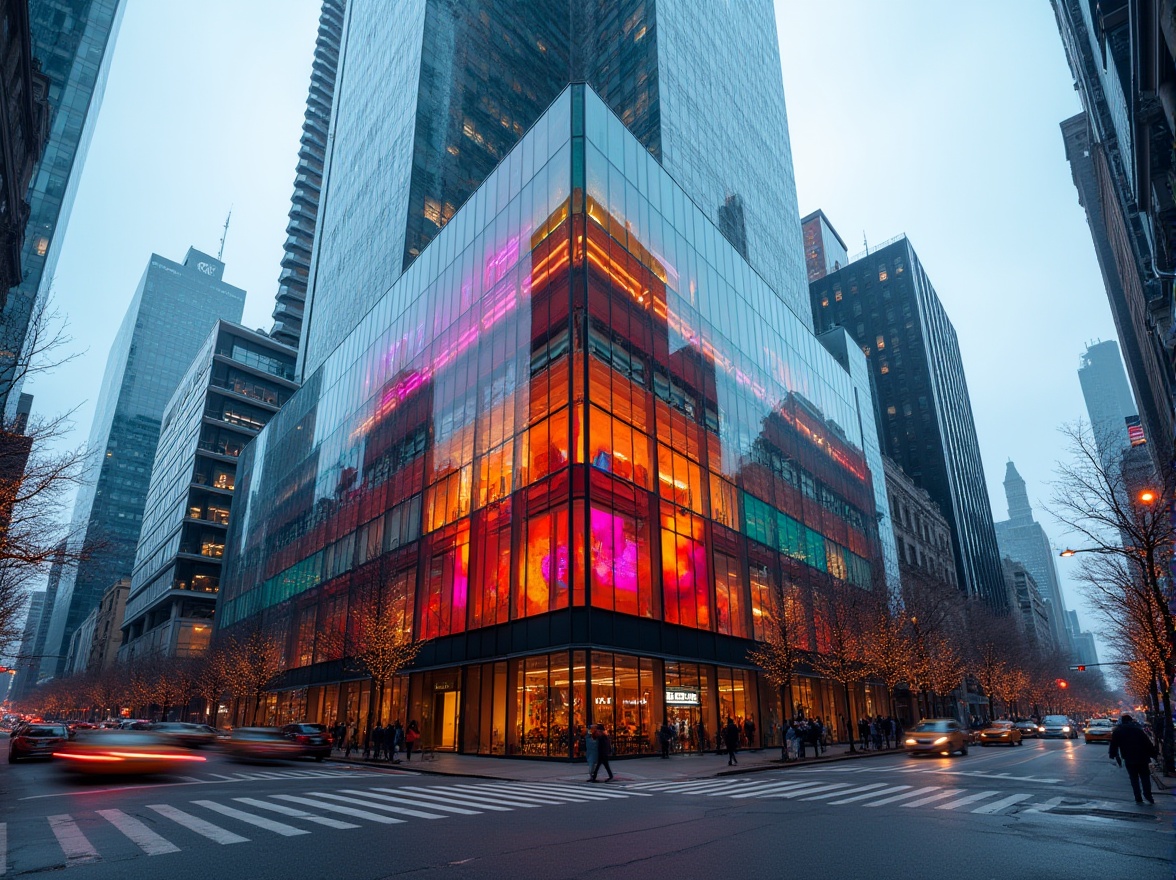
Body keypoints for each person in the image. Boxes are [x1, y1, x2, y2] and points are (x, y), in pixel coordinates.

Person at [1108, 714, 1158, 804]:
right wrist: (1153, 754)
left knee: (1134, 778)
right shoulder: (1138, 730)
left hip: (1129, 757)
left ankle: (1138, 797)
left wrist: (1113, 754)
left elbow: (1114, 745)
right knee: (1145, 777)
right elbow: (1147, 743)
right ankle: (1148, 795)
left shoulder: (1118, 731)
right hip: (1142, 757)